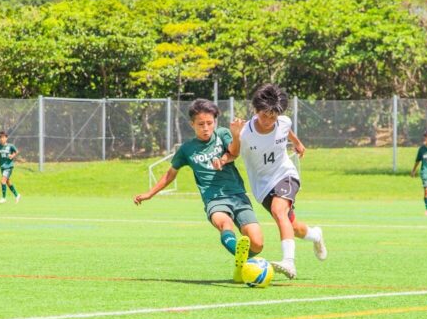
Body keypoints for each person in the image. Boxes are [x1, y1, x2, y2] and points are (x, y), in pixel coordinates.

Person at [134, 99, 264, 283]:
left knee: (257, 244)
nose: (206, 128)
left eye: (209, 123)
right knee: (225, 224)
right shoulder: (187, 149)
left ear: (215, 122)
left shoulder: (222, 134)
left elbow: (234, 152)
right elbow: (170, 174)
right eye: (201, 124)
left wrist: (235, 136)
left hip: (237, 195)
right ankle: (246, 263)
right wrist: (150, 193)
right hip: (214, 199)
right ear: (192, 124)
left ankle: (241, 263)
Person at [222, 83, 326, 280]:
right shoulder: (245, 132)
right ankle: (316, 235)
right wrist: (234, 136)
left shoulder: (283, 122)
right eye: (265, 115)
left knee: (279, 211)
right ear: (256, 110)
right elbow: (233, 153)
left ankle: (289, 262)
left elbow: (287, 130)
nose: (269, 121)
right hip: (262, 187)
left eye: (273, 116)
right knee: (292, 226)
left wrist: (297, 143)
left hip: (285, 175)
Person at [0, 131, 21, 203]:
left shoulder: (10, 146)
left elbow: (16, 151)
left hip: (8, 167)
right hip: (2, 167)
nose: (1, 139)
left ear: (6, 138)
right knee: (8, 182)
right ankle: (17, 195)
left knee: (2, 181)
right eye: (0, 138)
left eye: (3, 137)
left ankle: (4, 198)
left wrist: (12, 155)